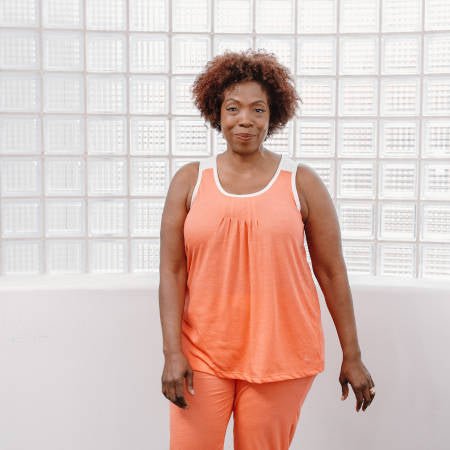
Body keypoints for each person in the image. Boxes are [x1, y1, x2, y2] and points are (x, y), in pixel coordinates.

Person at [159, 49, 375, 450]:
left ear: (272, 115)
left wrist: (353, 354)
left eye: (258, 109)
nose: (245, 119)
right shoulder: (190, 180)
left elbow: (331, 272)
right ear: (217, 112)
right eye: (233, 108)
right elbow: (172, 272)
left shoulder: (301, 182)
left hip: (282, 354)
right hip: (202, 353)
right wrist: (172, 352)